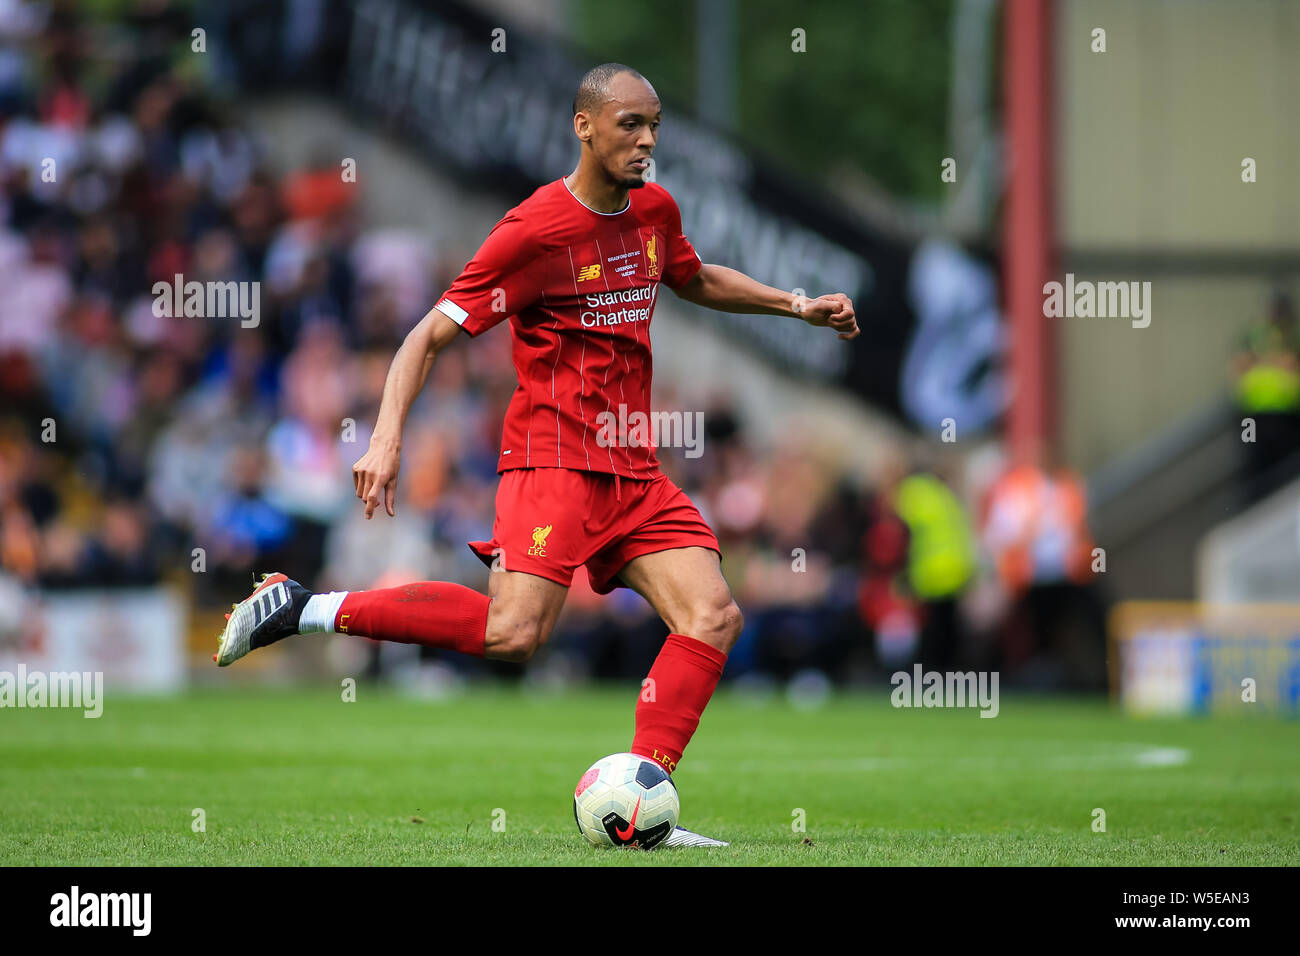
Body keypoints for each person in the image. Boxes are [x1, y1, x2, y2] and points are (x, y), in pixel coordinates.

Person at [213, 63, 859, 847]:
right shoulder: (534, 231)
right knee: (514, 634)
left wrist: (797, 305)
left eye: (655, 125)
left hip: (634, 469)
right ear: (584, 126)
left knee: (712, 614)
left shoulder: (654, 210)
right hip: (551, 461)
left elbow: (692, 278)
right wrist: (386, 436)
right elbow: (428, 335)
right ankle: (303, 606)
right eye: (630, 124)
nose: (648, 139)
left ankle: (642, 798)